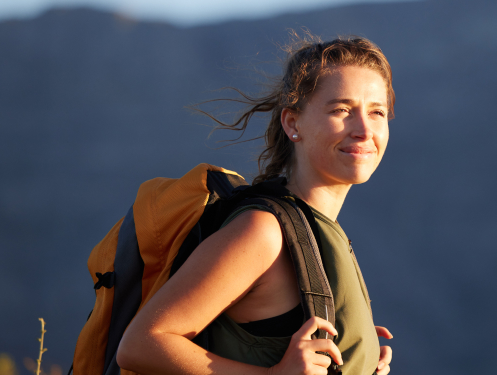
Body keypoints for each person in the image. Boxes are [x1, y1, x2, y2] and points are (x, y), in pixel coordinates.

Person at [116, 35, 395, 375]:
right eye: (341, 110)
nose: (364, 129)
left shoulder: (319, 230)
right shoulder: (263, 232)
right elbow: (141, 343)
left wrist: (357, 351)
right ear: (292, 123)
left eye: (377, 112)